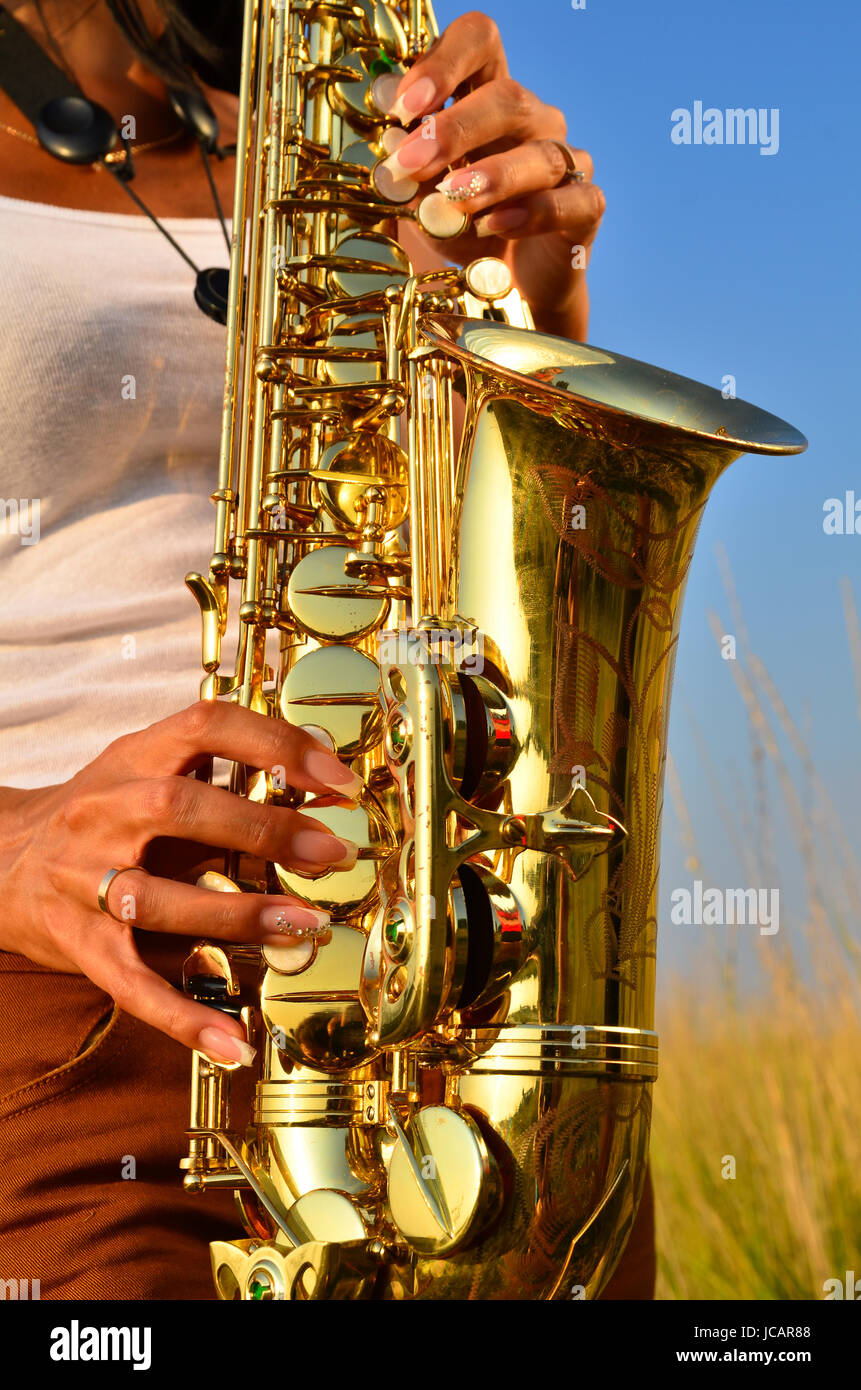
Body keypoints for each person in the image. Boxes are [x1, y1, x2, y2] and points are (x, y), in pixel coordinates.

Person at [0, 0, 651, 1299]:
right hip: (80, 1018)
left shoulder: (344, 130)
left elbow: (498, 579)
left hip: (464, 1002)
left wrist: (523, 292)